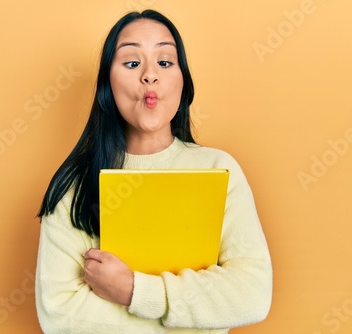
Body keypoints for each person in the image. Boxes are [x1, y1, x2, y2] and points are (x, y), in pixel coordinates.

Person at [35, 9, 272, 333]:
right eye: (132, 63)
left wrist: (133, 291)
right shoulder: (73, 186)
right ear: (108, 82)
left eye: (164, 62)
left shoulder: (220, 169)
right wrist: (194, 313)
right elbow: (60, 317)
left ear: (182, 80)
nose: (150, 75)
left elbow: (252, 294)